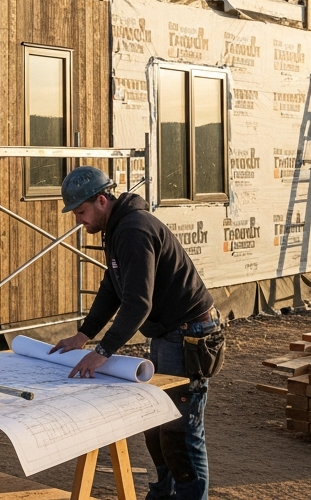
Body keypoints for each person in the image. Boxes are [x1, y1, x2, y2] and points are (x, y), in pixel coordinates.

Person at [48, 165, 223, 500]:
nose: (78, 220)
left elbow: (138, 302)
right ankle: (162, 493)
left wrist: (102, 352)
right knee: (157, 425)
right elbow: (112, 290)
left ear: (101, 200)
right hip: (169, 333)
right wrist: (83, 336)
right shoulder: (116, 230)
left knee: (180, 431)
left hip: (190, 334)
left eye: (81, 212)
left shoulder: (133, 230)